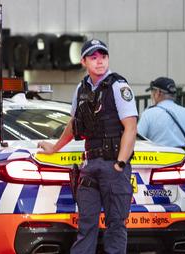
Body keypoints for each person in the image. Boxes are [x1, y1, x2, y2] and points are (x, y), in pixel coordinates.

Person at [38, 39, 137, 254]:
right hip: (90, 165)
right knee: (86, 225)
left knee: (115, 225)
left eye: (103, 57)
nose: (100, 61)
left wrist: (120, 163)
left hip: (113, 165)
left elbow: (130, 127)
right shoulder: (81, 88)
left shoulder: (119, 86)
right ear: (83, 61)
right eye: (94, 57)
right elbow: (74, 125)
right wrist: (55, 148)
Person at [137, 77, 185, 162]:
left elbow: (137, 141)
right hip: (181, 164)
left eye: (152, 92)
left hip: (157, 164)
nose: (151, 96)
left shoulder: (148, 114)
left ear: (158, 93)